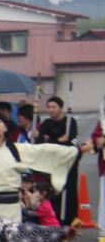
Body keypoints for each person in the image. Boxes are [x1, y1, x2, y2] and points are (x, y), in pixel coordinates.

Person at [35, 96, 80, 224]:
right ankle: (53, 220)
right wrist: (58, 140)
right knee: (52, 191)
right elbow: (42, 143)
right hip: (51, 164)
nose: (51, 110)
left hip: (67, 163)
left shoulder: (70, 122)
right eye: (49, 107)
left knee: (69, 191)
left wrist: (50, 140)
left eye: (54, 107)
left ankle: (70, 221)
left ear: (60, 108)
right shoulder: (46, 123)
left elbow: (70, 142)